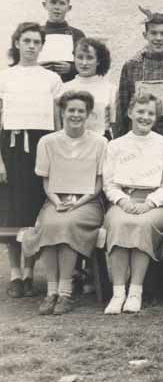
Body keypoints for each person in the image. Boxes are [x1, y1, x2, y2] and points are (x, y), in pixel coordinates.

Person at [23, 91, 107, 315]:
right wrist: (57, 202)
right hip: (56, 200)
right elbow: (46, 181)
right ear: (63, 112)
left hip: (87, 204)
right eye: (71, 110)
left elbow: (98, 185)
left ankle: (65, 292)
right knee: (51, 223)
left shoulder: (100, 143)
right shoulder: (48, 142)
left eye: (81, 111)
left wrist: (77, 204)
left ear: (88, 114)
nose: (76, 115)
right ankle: (51, 292)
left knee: (67, 224)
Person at [0, 22, 62, 298]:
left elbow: (59, 122)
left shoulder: (51, 79)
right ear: (17, 43)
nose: (31, 46)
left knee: (34, 209)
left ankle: (29, 271)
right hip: (11, 148)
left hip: (41, 146)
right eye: (26, 41)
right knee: (12, 211)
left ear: (42, 45)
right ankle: (15, 272)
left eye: (36, 42)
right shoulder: (5, 77)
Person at [102, 93, 163, 314]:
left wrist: (150, 203)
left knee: (142, 224)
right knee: (118, 223)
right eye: (140, 112)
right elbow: (109, 183)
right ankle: (118, 293)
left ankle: (135, 291)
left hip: (155, 204)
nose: (145, 117)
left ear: (157, 117)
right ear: (130, 113)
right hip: (124, 200)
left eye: (150, 113)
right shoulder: (116, 145)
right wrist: (123, 201)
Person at [115, 8, 163, 144]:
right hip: (138, 135)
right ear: (145, 35)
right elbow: (123, 107)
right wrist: (119, 139)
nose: (158, 38)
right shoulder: (132, 66)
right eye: (154, 33)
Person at [61, 38, 115, 137]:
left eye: (89, 58)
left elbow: (115, 125)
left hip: (100, 144)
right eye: (80, 57)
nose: (84, 63)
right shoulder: (63, 88)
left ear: (98, 61)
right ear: (74, 58)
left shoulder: (110, 89)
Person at [40, 0, 85, 82]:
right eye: (53, 2)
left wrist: (71, 68)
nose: (57, 7)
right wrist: (38, 68)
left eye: (62, 3)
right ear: (45, 5)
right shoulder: (37, 33)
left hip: (69, 86)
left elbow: (86, 63)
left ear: (69, 7)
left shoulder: (77, 35)